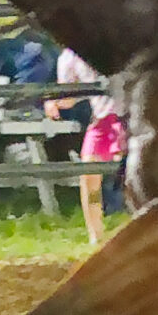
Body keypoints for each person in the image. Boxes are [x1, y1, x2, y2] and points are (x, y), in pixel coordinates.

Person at [52, 48, 121, 246]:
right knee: (88, 176)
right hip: (101, 120)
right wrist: (53, 101)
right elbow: (69, 96)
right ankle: (95, 236)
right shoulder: (68, 57)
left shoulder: (106, 42)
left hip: (123, 117)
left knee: (126, 172)